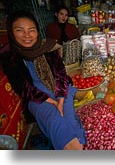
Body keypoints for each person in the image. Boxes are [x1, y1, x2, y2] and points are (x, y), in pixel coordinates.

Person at [2, 11, 86, 150]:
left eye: (31, 30)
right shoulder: (10, 57)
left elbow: (61, 75)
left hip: (59, 90)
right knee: (55, 118)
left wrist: (59, 98)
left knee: (68, 115)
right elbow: (22, 87)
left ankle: (78, 147)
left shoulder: (48, 47)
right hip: (36, 98)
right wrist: (50, 101)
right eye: (20, 31)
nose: (27, 35)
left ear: (37, 31)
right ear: (11, 32)